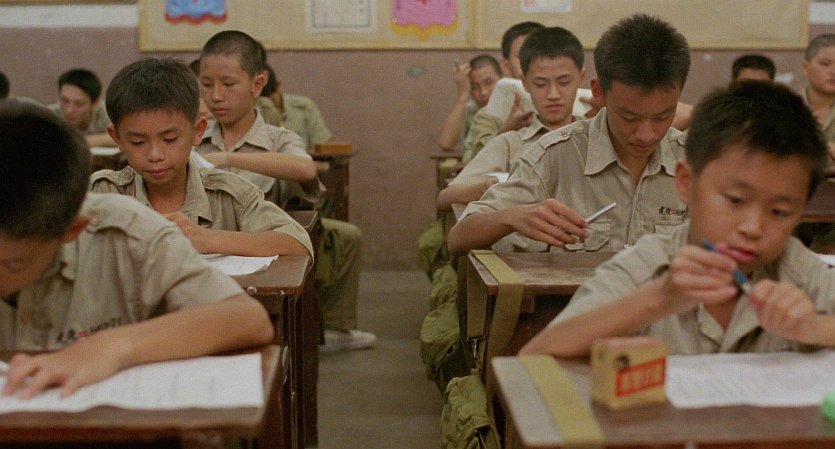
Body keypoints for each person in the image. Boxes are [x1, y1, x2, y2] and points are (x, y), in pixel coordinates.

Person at [521, 82, 833, 357]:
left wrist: (815, 328)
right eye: (735, 200)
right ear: (686, 183)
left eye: (779, 212)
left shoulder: (801, 272)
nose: (753, 228)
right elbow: (535, 356)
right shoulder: (647, 266)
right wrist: (660, 298)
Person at [0, 100, 273, 399]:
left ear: (72, 230)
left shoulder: (129, 234)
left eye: (12, 264)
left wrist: (111, 347)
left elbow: (247, 319)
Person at [448, 14, 690, 256]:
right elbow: (457, 239)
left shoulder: (693, 160)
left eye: (662, 116)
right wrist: (512, 217)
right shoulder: (554, 156)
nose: (646, 134)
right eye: (629, 117)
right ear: (598, 93)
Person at [195, 30, 374, 351]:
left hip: (260, 255)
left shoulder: (279, 138)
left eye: (229, 84)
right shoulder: (195, 135)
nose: (216, 96)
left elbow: (304, 169)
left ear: (257, 84)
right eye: (206, 85)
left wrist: (228, 158)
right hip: (203, 250)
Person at [89, 58, 313, 260]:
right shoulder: (102, 192)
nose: (155, 155)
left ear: (198, 131)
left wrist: (207, 239)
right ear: (117, 138)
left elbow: (298, 243)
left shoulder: (229, 193)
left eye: (169, 139)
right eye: (138, 142)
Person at [437, 26, 586, 211]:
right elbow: (444, 197)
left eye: (564, 82)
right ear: (525, 83)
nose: (553, 94)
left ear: (581, 78)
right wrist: (486, 188)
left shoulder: (597, 135)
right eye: (541, 84)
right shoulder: (510, 142)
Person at [261, 64, 333, 154]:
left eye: (270, 99)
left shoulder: (305, 107)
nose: (268, 105)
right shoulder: (253, 113)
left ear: (278, 86)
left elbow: (322, 145)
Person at [437, 54, 501, 152]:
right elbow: (446, 143)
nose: (483, 92)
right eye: (474, 87)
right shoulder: (471, 109)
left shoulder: (515, 105)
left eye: (488, 83)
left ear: (502, 79)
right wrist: (462, 95)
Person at [48, 68, 114, 147]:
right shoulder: (49, 114)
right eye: (65, 101)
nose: (69, 110)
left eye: (79, 104)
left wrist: (74, 142)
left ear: (95, 104)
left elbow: (119, 137)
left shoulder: (107, 112)